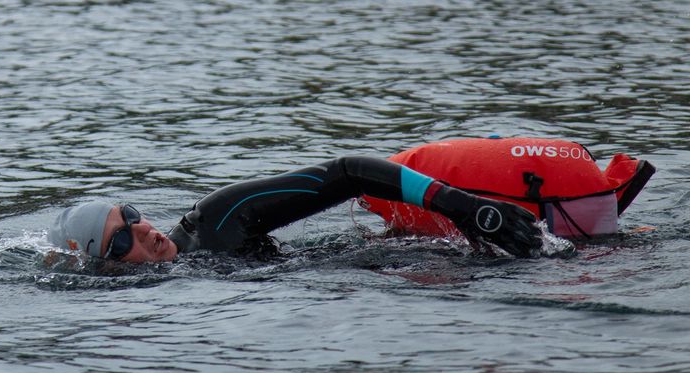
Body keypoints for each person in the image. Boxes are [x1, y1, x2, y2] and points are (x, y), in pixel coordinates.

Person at [49, 156, 543, 264]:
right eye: (120, 241)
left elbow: (347, 171)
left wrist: (460, 205)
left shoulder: (221, 218)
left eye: (131, 216)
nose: (142, 232)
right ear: (104, 270)